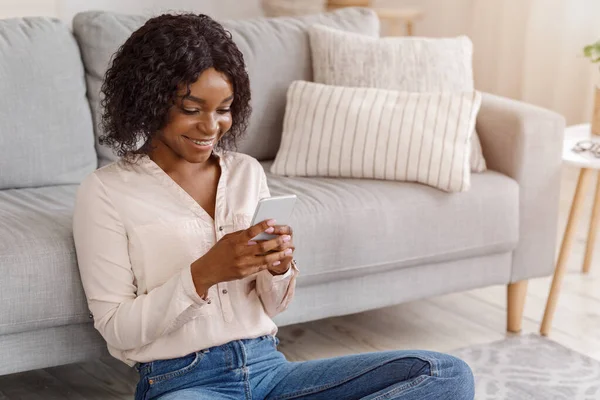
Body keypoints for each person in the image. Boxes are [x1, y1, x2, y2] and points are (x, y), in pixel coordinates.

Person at [72, 13, 475, 400]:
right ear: (150, 101)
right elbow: (117, 329)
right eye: (192, 110)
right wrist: (204, 273)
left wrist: (278, 269)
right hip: (181, 382)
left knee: (445, 375)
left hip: (269, 370)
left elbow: (273, 304)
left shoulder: (246, 173)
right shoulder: (106, 192)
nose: (211, 127)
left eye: (224, 109)